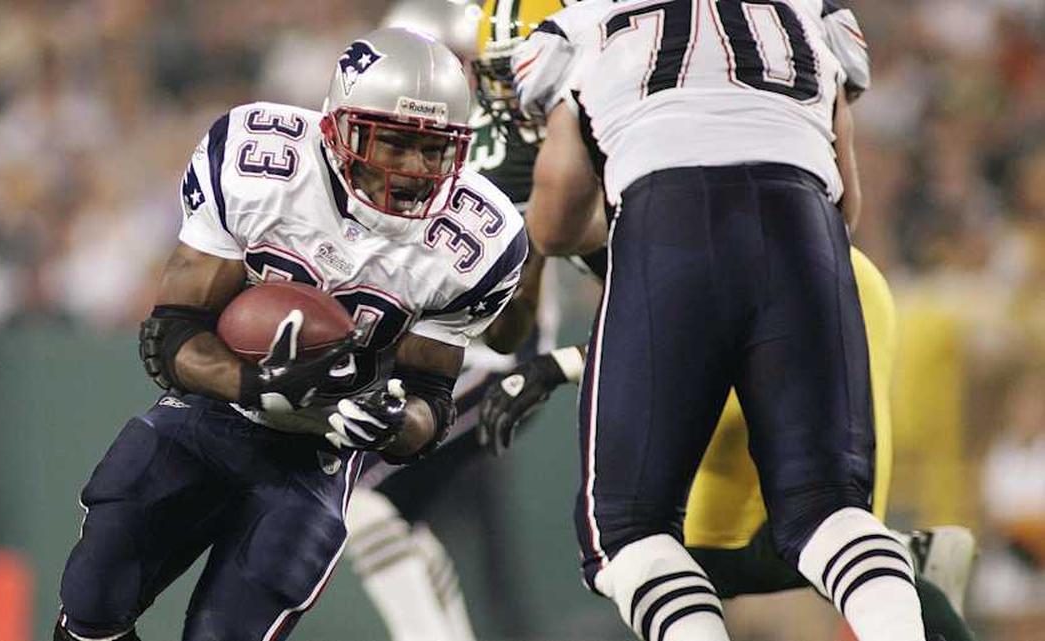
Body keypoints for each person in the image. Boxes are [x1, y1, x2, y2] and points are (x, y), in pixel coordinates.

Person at [53, 27, 527, 641]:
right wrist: (257, 380)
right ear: (339, 129)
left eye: (434, 150)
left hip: (316, 459)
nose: (414, 169)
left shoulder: (478, 241)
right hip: (206, 419)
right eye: (396, 143)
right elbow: (170, 336)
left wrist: (390, 424)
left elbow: (428, 405)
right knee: (92, 603)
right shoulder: (261, 163)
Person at [518, 1, 929, 639]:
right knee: (828, 510)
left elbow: (554, 219)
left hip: (667, 225)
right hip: (804, 228)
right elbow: (846, 200)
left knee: (627, 532)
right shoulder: (807, 13)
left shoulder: (582, 22)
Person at [343, 3, 563, 641]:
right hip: (437, 356)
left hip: (491, 357)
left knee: (359, 509)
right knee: (391, 522)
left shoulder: (510, 136)